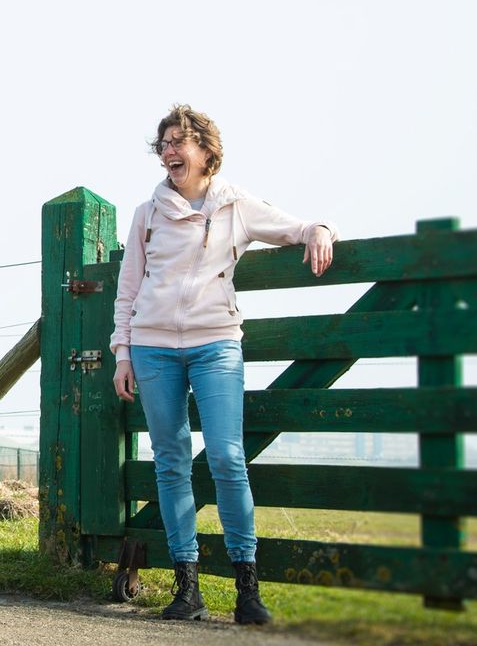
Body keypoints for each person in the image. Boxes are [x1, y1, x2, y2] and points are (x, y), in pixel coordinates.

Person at [111, 105, 336, 626]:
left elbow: (296, 227)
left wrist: (321, 228)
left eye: (179, 142)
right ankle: (186, 588)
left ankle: (246, 588)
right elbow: (128, 289)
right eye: (164, 142)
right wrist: (123, 353)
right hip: (152, 349)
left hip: (216, 345)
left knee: (228, 460)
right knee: (170, 462)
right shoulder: (147, 214)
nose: (169, 150)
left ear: (206, 152)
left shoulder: (235, 205)